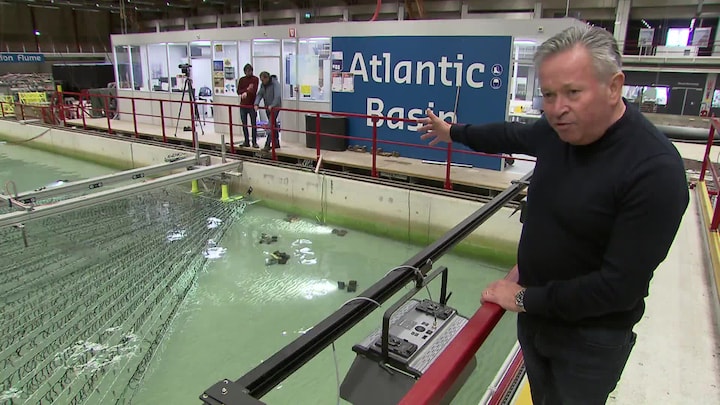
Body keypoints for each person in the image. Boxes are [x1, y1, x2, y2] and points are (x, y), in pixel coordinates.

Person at [419, 25, 689, 405]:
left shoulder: (654, 172)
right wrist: (454, 132)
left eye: (573, 93)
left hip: (589, 340)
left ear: (614, 87)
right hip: (537, 322)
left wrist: (525, 298)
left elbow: (617, 288)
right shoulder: (558, 131)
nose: (557, 108)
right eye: (548, 95)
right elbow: (510, 135)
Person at [254, 71, 282, 150]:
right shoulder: (263, 85)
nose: (262, 82)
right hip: (267, 107)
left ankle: (267, 144)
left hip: (275, 107)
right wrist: (256, 103)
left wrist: (272, 105)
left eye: (263, 80)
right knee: (274, 124)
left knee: (270, 124)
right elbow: (260, 94)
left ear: (267, 78)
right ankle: (276, 143)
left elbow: (277, 96)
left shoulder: (275, 83)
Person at [237, 63, 260, 148]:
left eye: (249, 71)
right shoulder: (242, 80)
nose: (248, 73)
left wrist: (247, 91)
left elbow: (254, 90)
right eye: (246, 71)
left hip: (252, 105)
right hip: (243, 105)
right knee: (244, 124)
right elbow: (238, 91)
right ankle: (246, 141)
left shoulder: (255, 79)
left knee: (254, 124)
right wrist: (246, 90)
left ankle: (254, 142)